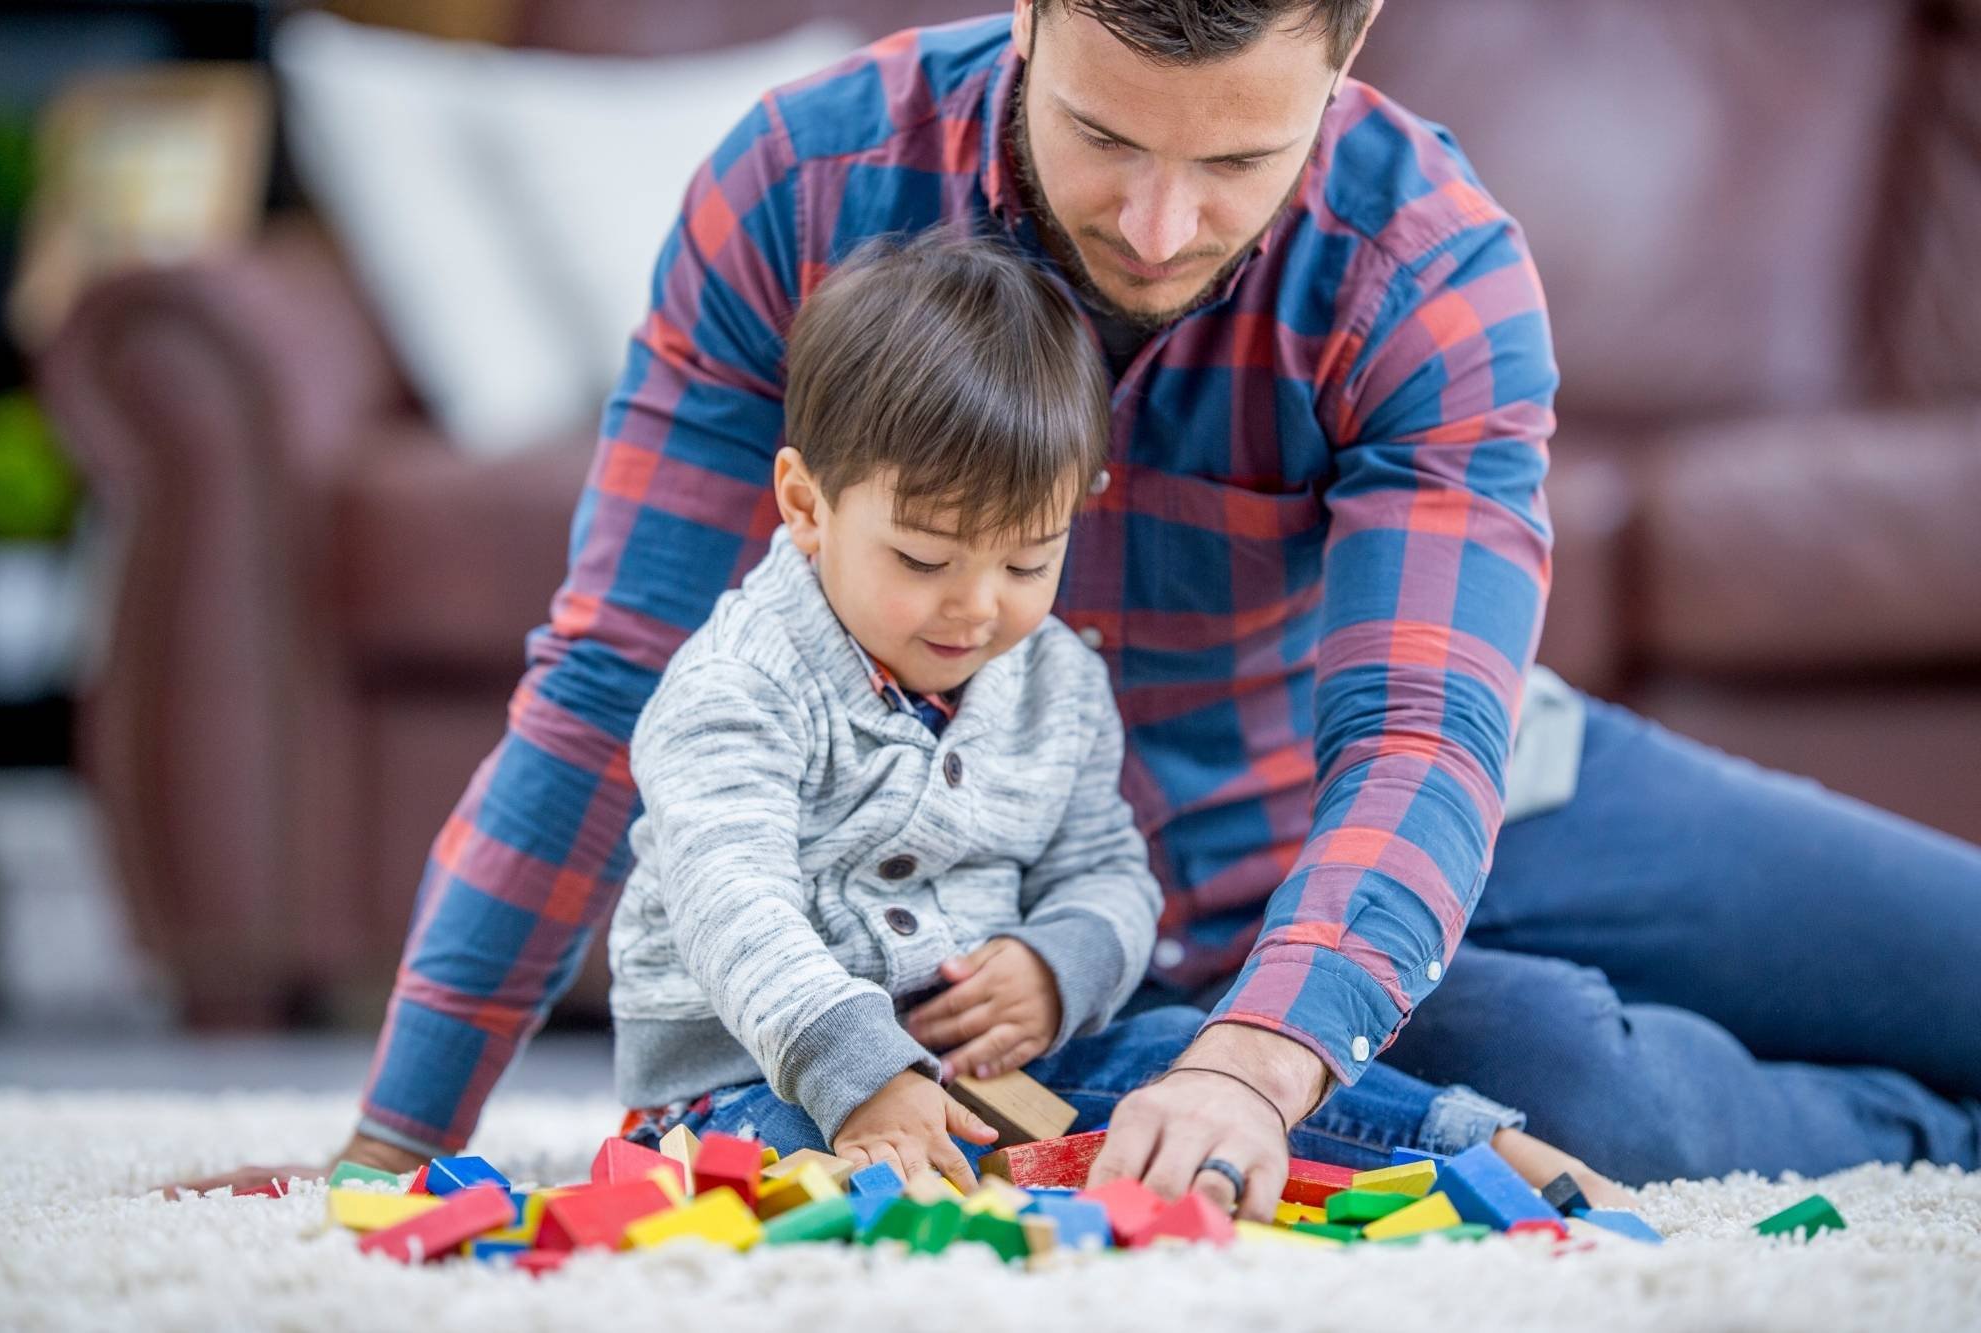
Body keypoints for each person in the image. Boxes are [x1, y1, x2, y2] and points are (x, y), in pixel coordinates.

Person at [178, 0, 1980, 1207]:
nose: (1162, 222)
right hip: (1062, 949)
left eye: (1239, 162)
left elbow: (1424, 730)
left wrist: (1271, 1058)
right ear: (1030, 12)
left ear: (1348, 57)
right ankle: (1928, 1139)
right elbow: (604, 691)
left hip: (1442, 803)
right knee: (1565, 1085)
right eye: (1110, 134)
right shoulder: (800, 187)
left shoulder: (1425, 258)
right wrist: (393, 1144)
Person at [601, 228, 1624, 1210]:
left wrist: (1057, 969)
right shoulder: (735, 685)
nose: (974, 606)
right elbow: (729, 899)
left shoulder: (1051, 676)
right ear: (806, 505)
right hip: (749, 1073)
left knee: (1172, 1057)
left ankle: (1469, 1147)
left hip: (991, 1059)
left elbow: (1103, 868)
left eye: (1025, 561)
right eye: (922, 560)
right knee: (782, 1174)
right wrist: (859, 1071)